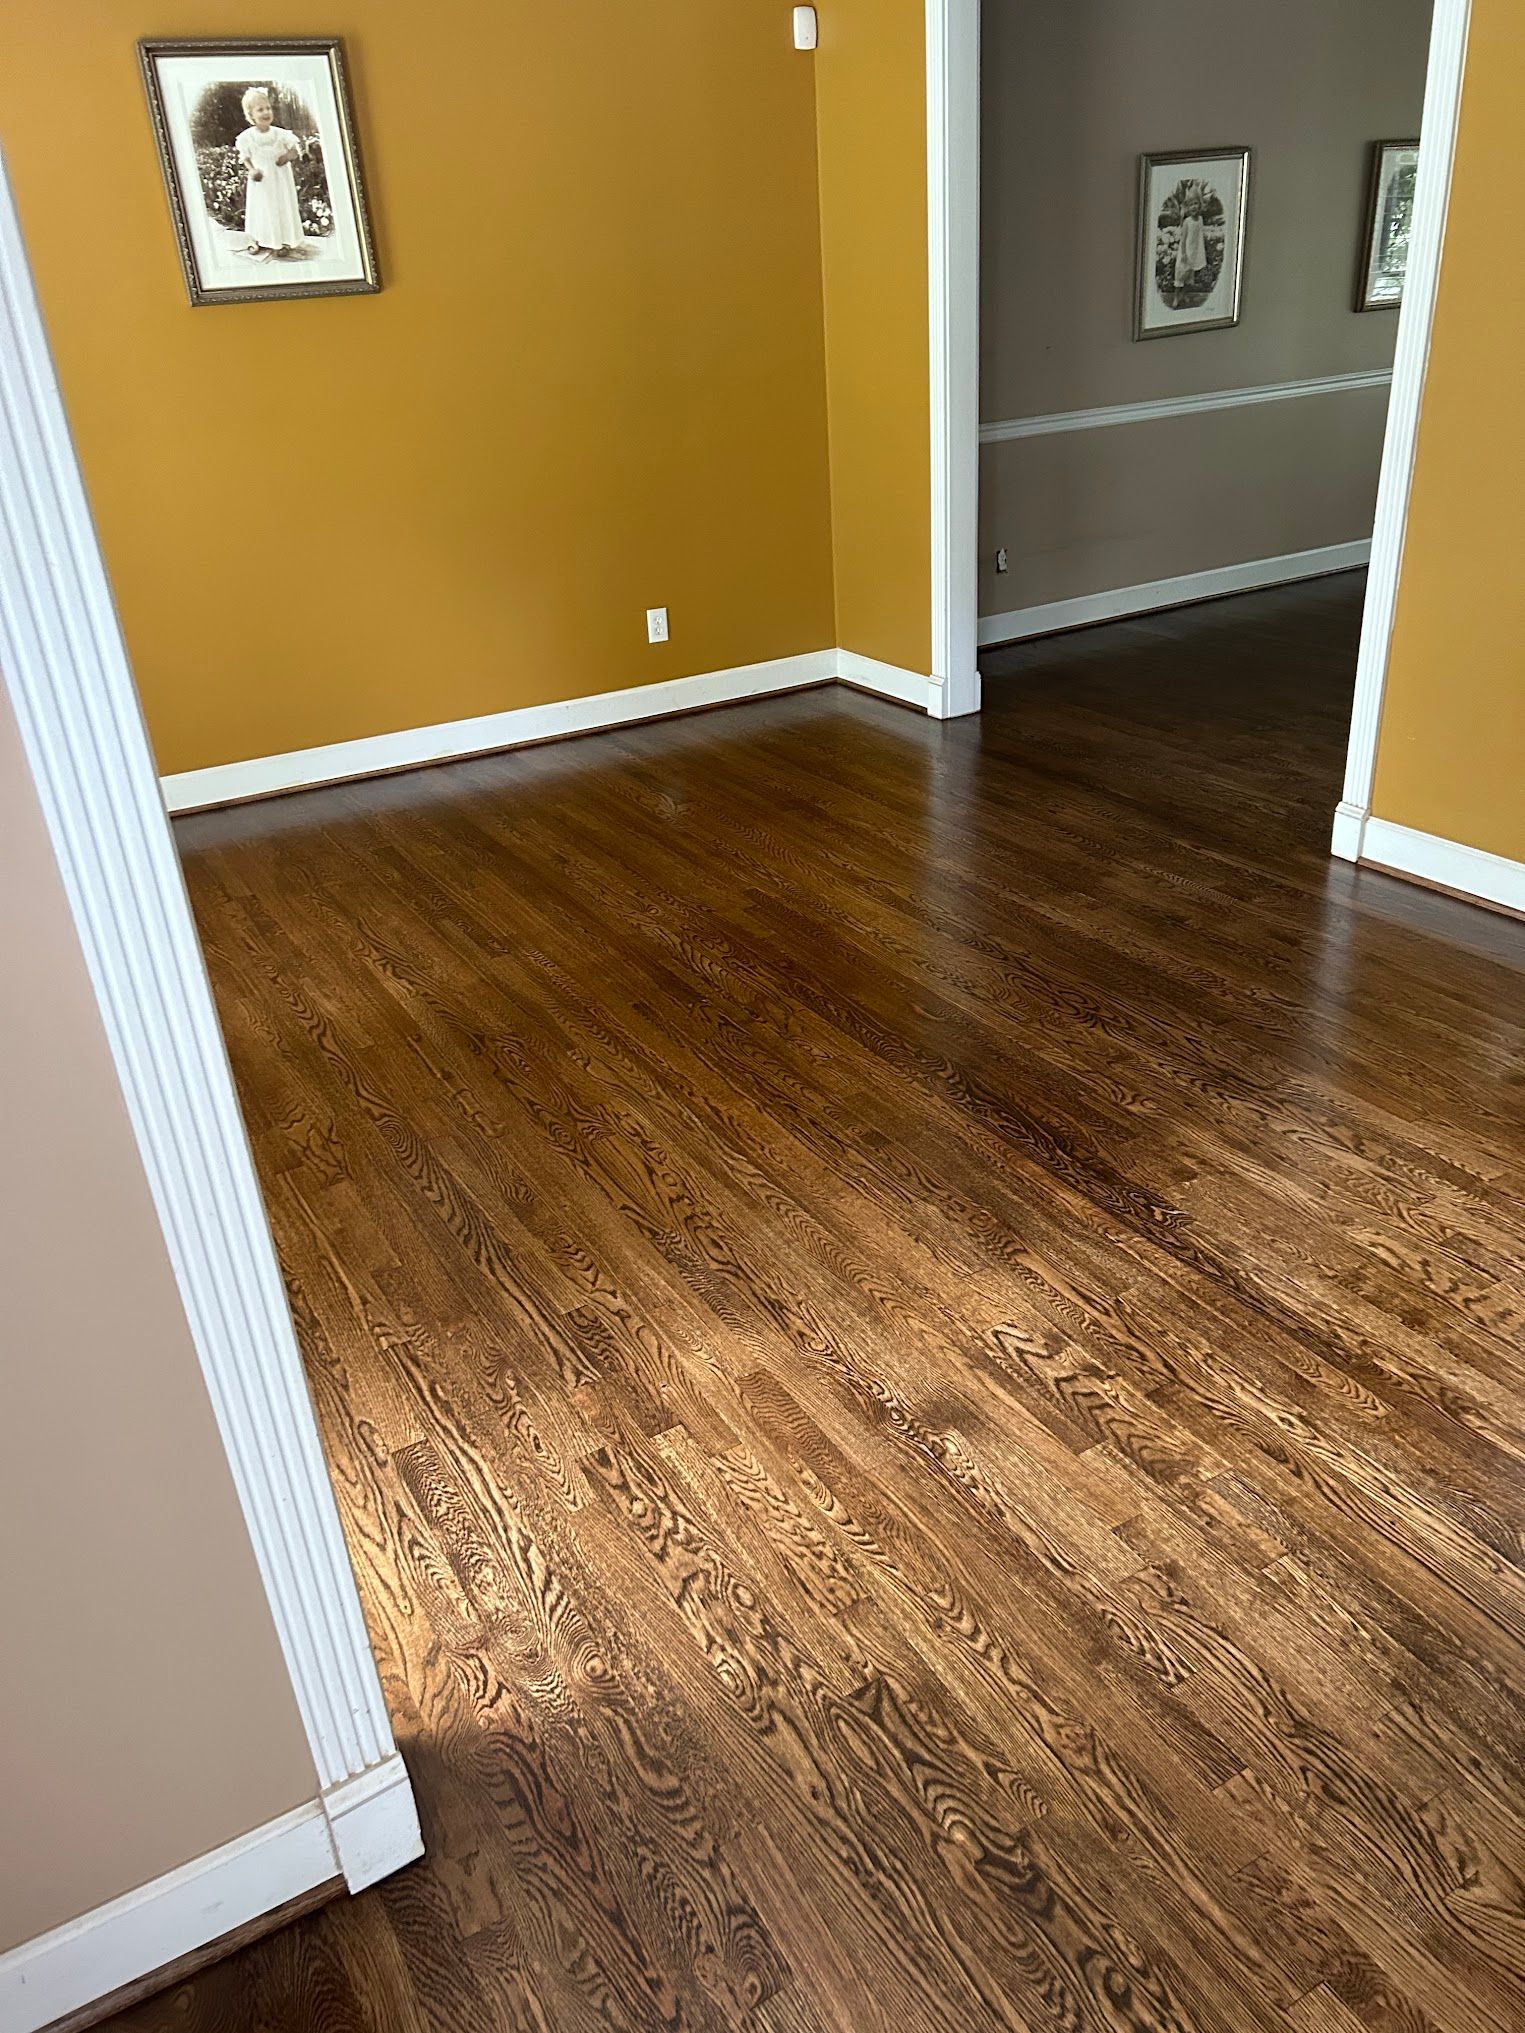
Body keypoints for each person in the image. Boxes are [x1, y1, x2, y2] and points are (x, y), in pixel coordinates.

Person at [236, 87, 306, 260]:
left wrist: (287, 156)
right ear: (251, 115)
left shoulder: (281, 134)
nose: (266, 112)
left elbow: (295, 150)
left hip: (280, 181)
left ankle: (282, 241)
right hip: (262, 182)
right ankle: (257, 239)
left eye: (268, 108)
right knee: (262, 209)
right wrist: (252, 170)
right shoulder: (247, 137)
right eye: (260, 109)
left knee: (281, 208)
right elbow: (245, 157)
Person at [1173, 186, 1209, 297]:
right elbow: (1183, 240)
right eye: (1191, 204)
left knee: (1189, 275)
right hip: (1185, 252)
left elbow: (1199, 237)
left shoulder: (1200, 220)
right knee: (1181, 274)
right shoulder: (1187, 222)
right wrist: (1183, 254)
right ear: (1187, 207)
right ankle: (1176, 296)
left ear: (1200, 205)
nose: (1193, 207)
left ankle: (1184, 295)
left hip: (1194, 251)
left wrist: (1200, 253)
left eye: (1196, 203)